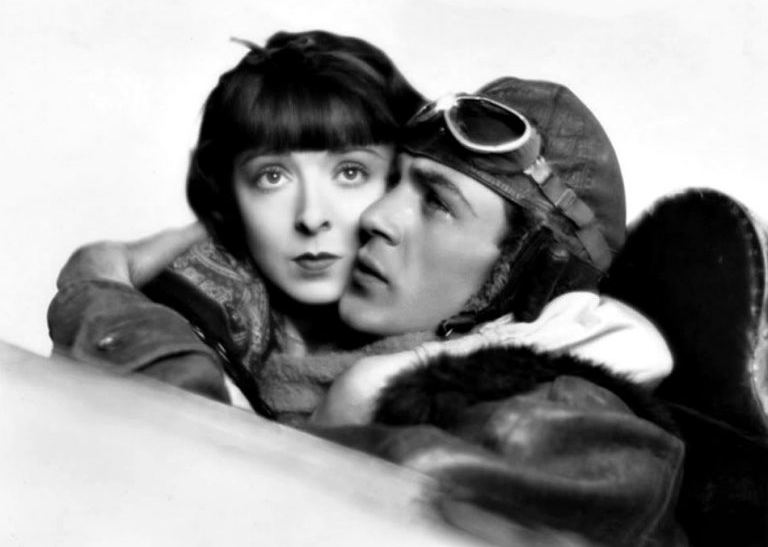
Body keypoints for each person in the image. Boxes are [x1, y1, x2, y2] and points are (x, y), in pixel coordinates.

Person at [50, 74, 684, 545]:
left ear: (524, 278)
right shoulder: (273, 338)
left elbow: (237, 505)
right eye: (393, 184)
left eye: (436, 203)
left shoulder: (565, 418)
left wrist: (103, 296)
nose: (378, 216)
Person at [49, 29, 425, 415]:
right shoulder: (207, 297)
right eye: (272, 177)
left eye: (350, 172)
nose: (312, 217)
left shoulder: (443, 345)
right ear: (230, 193)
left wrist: (96, 271)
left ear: (402, 179)